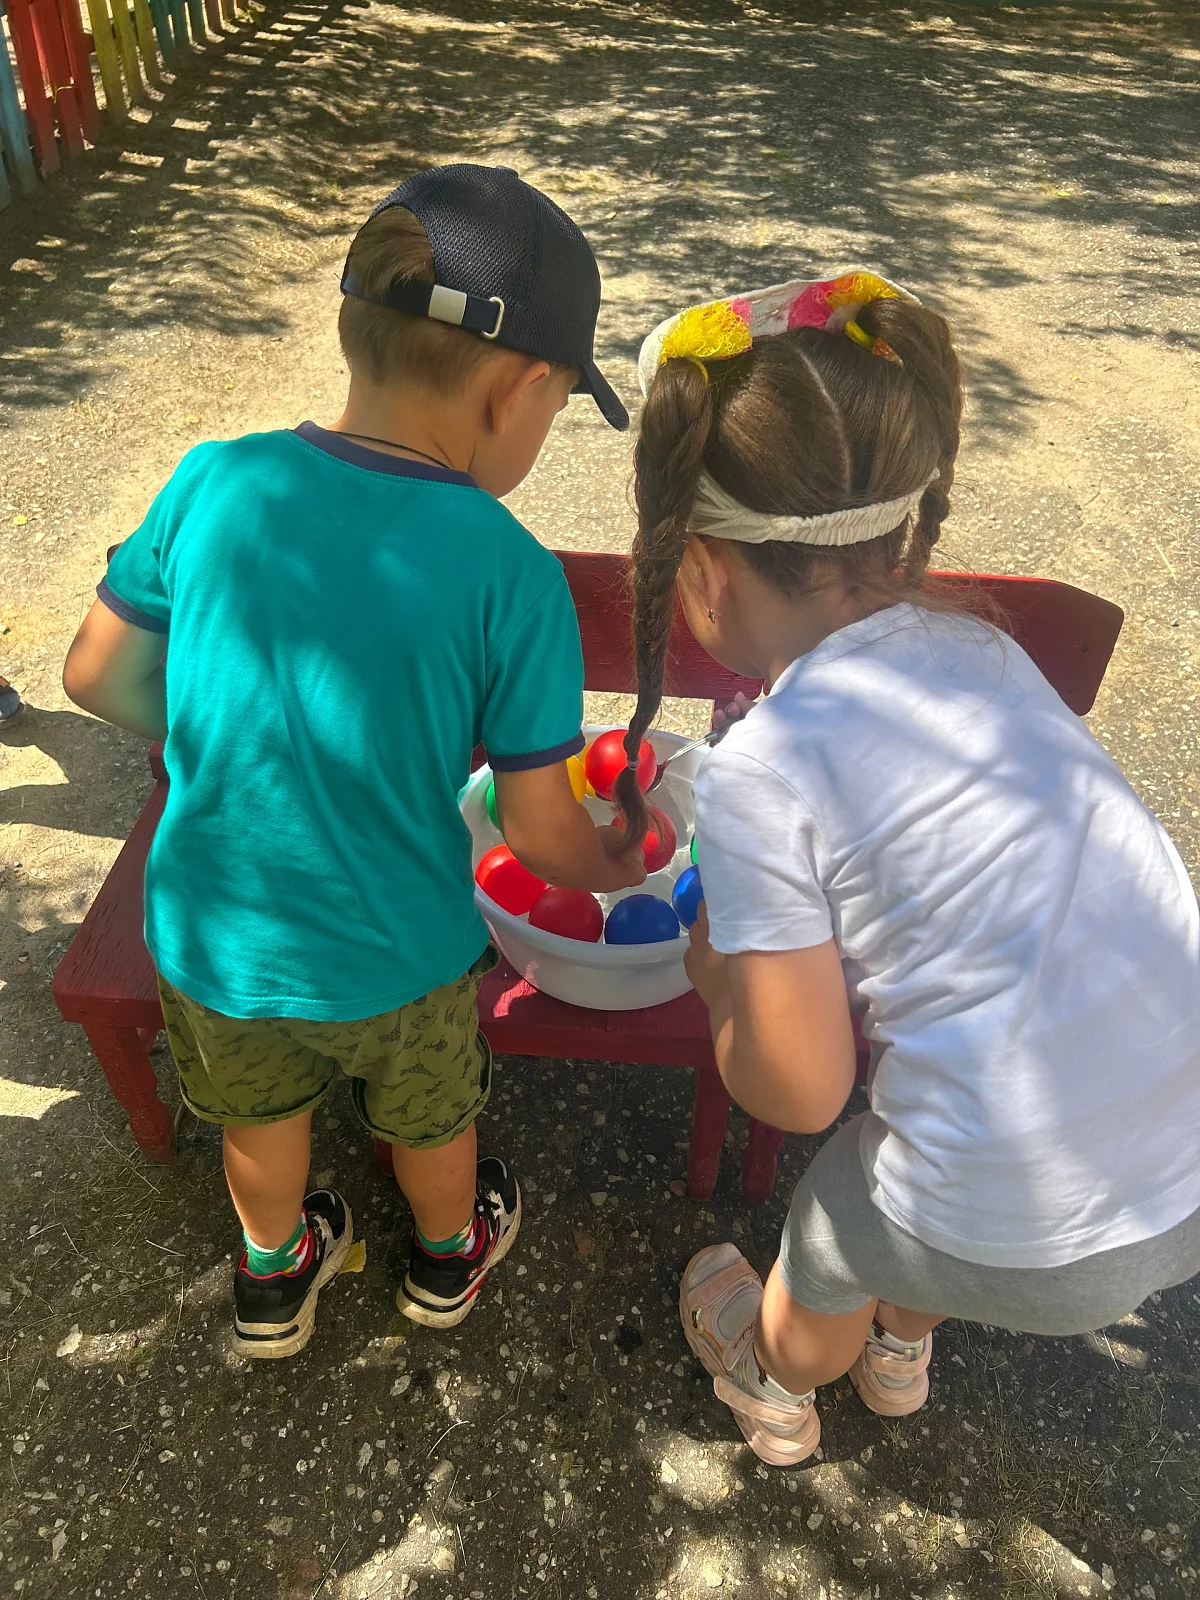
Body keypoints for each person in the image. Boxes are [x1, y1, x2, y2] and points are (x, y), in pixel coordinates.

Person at [613, 272, 1200, 1465]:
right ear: (896, 529)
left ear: (704, 573)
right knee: (932, 1166)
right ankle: (900, 1355)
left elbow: (800, 1092)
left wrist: (722, 979)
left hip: (1017, 1215)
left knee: (839, 1227)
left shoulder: (764, 768)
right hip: (1179, 1171)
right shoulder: (986, 654)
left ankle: (776, 1386)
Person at [62, 164, 644, 1359]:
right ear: (519, 390)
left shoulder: (215, 480)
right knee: (431, 1122)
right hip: (400, 953)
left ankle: (273, 1278)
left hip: (219, 938)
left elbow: (95, 677)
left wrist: (226, 736)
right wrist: (615, 859)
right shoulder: (509, 571)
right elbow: (539, 830)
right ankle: (445, 1260)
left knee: (259, 1119)